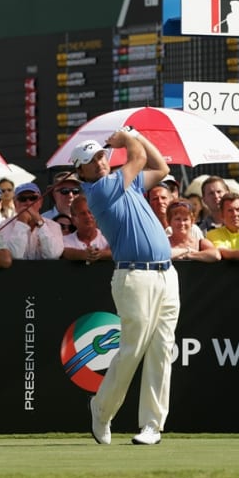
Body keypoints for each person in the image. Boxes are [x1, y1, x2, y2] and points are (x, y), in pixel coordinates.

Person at [70, 128, 179, 446]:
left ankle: (152, 426)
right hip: (134, 277)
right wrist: (129, 140)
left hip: (166, 275)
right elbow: (139, 157)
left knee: (162, 350)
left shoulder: (126, 183)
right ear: (81, 172)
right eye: (92, 160)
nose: (100, 162)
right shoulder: (100, 190)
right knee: (133, 350)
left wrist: (137, 136)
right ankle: (101, 409)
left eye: (101, 155)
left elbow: (161, 168)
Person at [0, 182, 64, 260]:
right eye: (22, 199)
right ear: (15, 204)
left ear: (40, 202)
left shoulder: (54, 225)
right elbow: (13, 255)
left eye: (33, 198)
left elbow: (53, 255)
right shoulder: (4, 225)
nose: (28, 202)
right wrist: (22, 222)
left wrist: (40, 223)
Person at [60, 194, 111, 263]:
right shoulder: (65, 241)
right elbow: (64, 252)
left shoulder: (109, 237)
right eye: (83, 213)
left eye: (90, 212)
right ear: (73, 220)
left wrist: (101, 254)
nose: (88, 216)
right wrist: (84, 255)